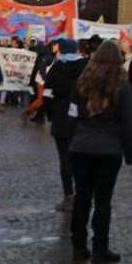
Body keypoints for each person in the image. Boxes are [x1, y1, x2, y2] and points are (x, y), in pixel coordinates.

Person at [67, 42, 132, 263]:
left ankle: (78, 246)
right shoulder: (122, 85)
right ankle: (100, 247)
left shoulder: (82, 81)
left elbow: (72, 114)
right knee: (103, 201)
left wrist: (72, 140)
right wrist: (130, 152)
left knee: (82, 197)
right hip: (109, 149)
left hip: (81, 146)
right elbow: (127, 123)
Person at [44, 38, 86, 208]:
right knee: (82, 157)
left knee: (65, 157)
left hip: (61, 117)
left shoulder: (55, 68)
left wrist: (50, 115)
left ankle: (69, 194)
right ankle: (83, 194)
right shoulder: (86, 67)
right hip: (82, 118)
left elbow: (47, 96)